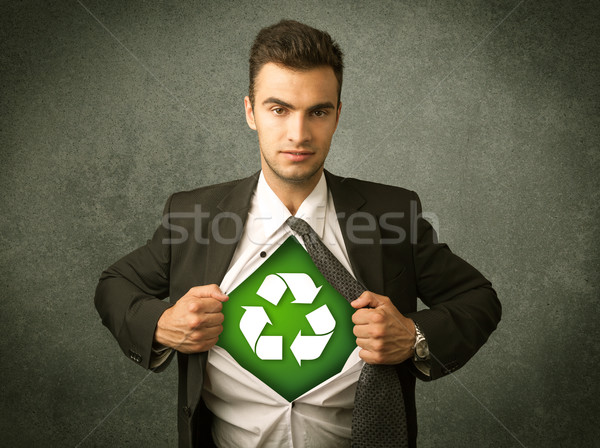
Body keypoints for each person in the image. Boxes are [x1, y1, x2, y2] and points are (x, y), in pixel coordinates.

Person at [94, 19, 501, 448]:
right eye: (279, 109)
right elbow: (114, 286)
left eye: (318, 111)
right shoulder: (192, 215)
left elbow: (479, 299)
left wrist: (413, 338)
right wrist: (161, 324)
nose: (299, 134)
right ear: (251, 112)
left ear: (338, 115)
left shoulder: (392, 214)